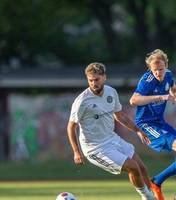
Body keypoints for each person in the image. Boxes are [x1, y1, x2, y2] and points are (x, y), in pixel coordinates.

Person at [67, 62, 156, 200]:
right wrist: (76, 151)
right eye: (90, 80)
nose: (93, 83)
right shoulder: (82, 101)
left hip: (112, 139)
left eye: (96, 79)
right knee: (133, 167)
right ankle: (147, 197)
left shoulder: (111, 92)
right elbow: (71, 127)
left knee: (142, 168)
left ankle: (152, 197)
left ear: (104, 77)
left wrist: (137, 131)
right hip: (96, 148)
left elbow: (120, 116)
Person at [130, 49, 176, 200]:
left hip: (160, 123)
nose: (158, 72)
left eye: (161, 69)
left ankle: (157, 181)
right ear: (150, 69)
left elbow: (174, 90)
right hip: (146, 125)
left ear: (166, 65)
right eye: (154, 70)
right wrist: (161, 97)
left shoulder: (168, 75)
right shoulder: (147, 80)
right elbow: (134, 100)